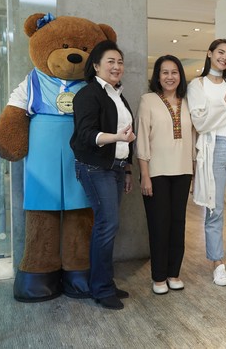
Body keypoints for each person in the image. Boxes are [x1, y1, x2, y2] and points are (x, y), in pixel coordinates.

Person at [70, 40, 136, 310]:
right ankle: (101, 288)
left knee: (109, 226)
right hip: (95, 167)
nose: (117, 66)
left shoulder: (118, 95)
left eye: (120, 62)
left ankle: (105, 282)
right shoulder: (88, 94)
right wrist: (116, 137)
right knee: (107, 225)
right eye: (111, 61)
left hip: (116, 168)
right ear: (96, 66)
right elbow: (85, 135)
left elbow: (128, 137)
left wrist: (128, 168)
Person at [187, 39, 226, 286]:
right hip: (215, 149)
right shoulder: (197, 85)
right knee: (214, 210)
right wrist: (224, 103)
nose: (224, 58)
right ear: (209, 53)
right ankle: (216, 263)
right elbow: (200, 122)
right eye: (220, 52)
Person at [136, 55, 193, 295]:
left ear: (180, 75)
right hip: (156, 173)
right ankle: (158, 277)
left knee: (178, 224)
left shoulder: (188, 102)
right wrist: (145, 175)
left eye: (174, 72)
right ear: (157, 76)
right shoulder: (148, 100)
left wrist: (195, 173)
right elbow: (141, 139)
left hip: (183, 171)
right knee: (159, 225)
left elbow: (194, 139)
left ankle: (173, 273)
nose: (170, 77)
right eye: (165, 72)